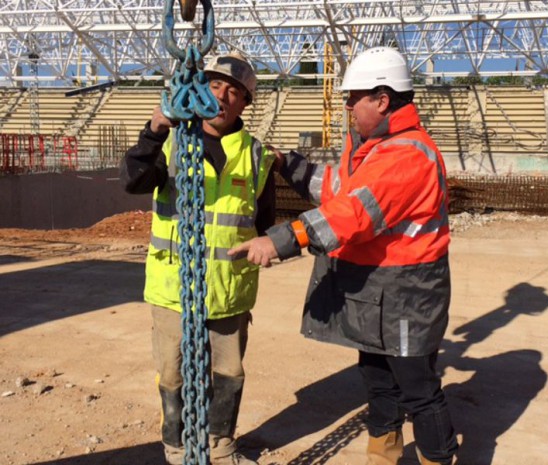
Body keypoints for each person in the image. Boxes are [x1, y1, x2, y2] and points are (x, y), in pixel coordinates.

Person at [230, 47, 459, 465]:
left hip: (407, 294)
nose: (348, 106)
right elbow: (337, 188)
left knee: (417, 388)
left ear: (383, 100)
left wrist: (280, 240)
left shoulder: (407, 154)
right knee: (377, 380)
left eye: (354, 98)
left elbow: (350, 213)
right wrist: (286, 163)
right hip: (378, 294)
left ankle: (438, 459)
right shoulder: (374, 148)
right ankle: (383, 455)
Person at [120, 52, 276, 465]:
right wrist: (155, 128)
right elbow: (132, 180)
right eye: (214, 85)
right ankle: (177, 449)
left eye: (235, 91)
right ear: (199, 89)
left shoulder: (258, 156)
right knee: (173, 375)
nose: (222, 96)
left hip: (230, 293)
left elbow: (263, 221)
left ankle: (221, 447)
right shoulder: (172, 143)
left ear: (245, 103)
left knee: (229, 374)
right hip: (173, 289)